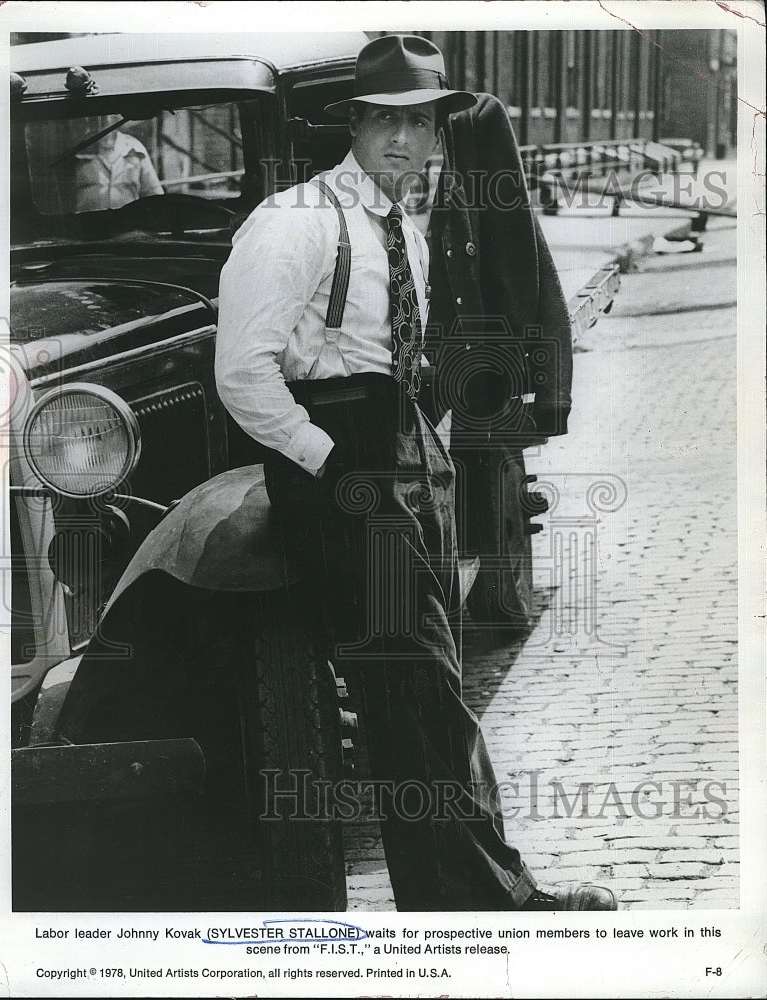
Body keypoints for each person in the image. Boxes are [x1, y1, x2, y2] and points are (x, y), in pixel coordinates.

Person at [215, 33, 615, 912]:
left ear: (439, 136)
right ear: (352, 124)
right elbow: (243, 372)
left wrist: (422, 443)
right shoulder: (294, 221)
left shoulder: (399, 225)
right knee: (413, 690)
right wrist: (330, 463)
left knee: (436, 682)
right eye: (382, 120)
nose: (401, 139)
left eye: (419, 123)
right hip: (344, 458)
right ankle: (478, 903)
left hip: (404, 449)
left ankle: (482, 887)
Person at [410, 93, 574, 630]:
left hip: (476, 364)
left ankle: (496, 593)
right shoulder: (438, 199)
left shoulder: (483, 208)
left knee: (478, 478)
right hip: (442, 356)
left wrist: (551, 398)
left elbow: (542, 295)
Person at [70, 116, 163, 212]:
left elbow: (154, 195)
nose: (104, 119)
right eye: (99, 115)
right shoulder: (78, 149)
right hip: (90, 223)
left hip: (128, 222)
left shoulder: (134, 148)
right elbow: (63, 197)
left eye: (107, 114)